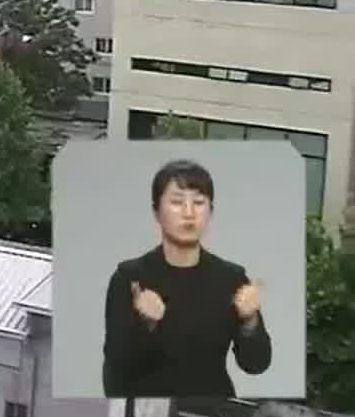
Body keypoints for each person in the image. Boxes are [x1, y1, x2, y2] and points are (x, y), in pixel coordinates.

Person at [102, 158, 272, 398]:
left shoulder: (231, 278)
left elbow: (256, 364)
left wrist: (250, 321)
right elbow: (115, 370)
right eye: (177, 202)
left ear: (210, 212)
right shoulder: (131, 278)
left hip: (213, 411)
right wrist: (145, 325)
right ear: (156, 212)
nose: (189, 213)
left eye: (199, 203)